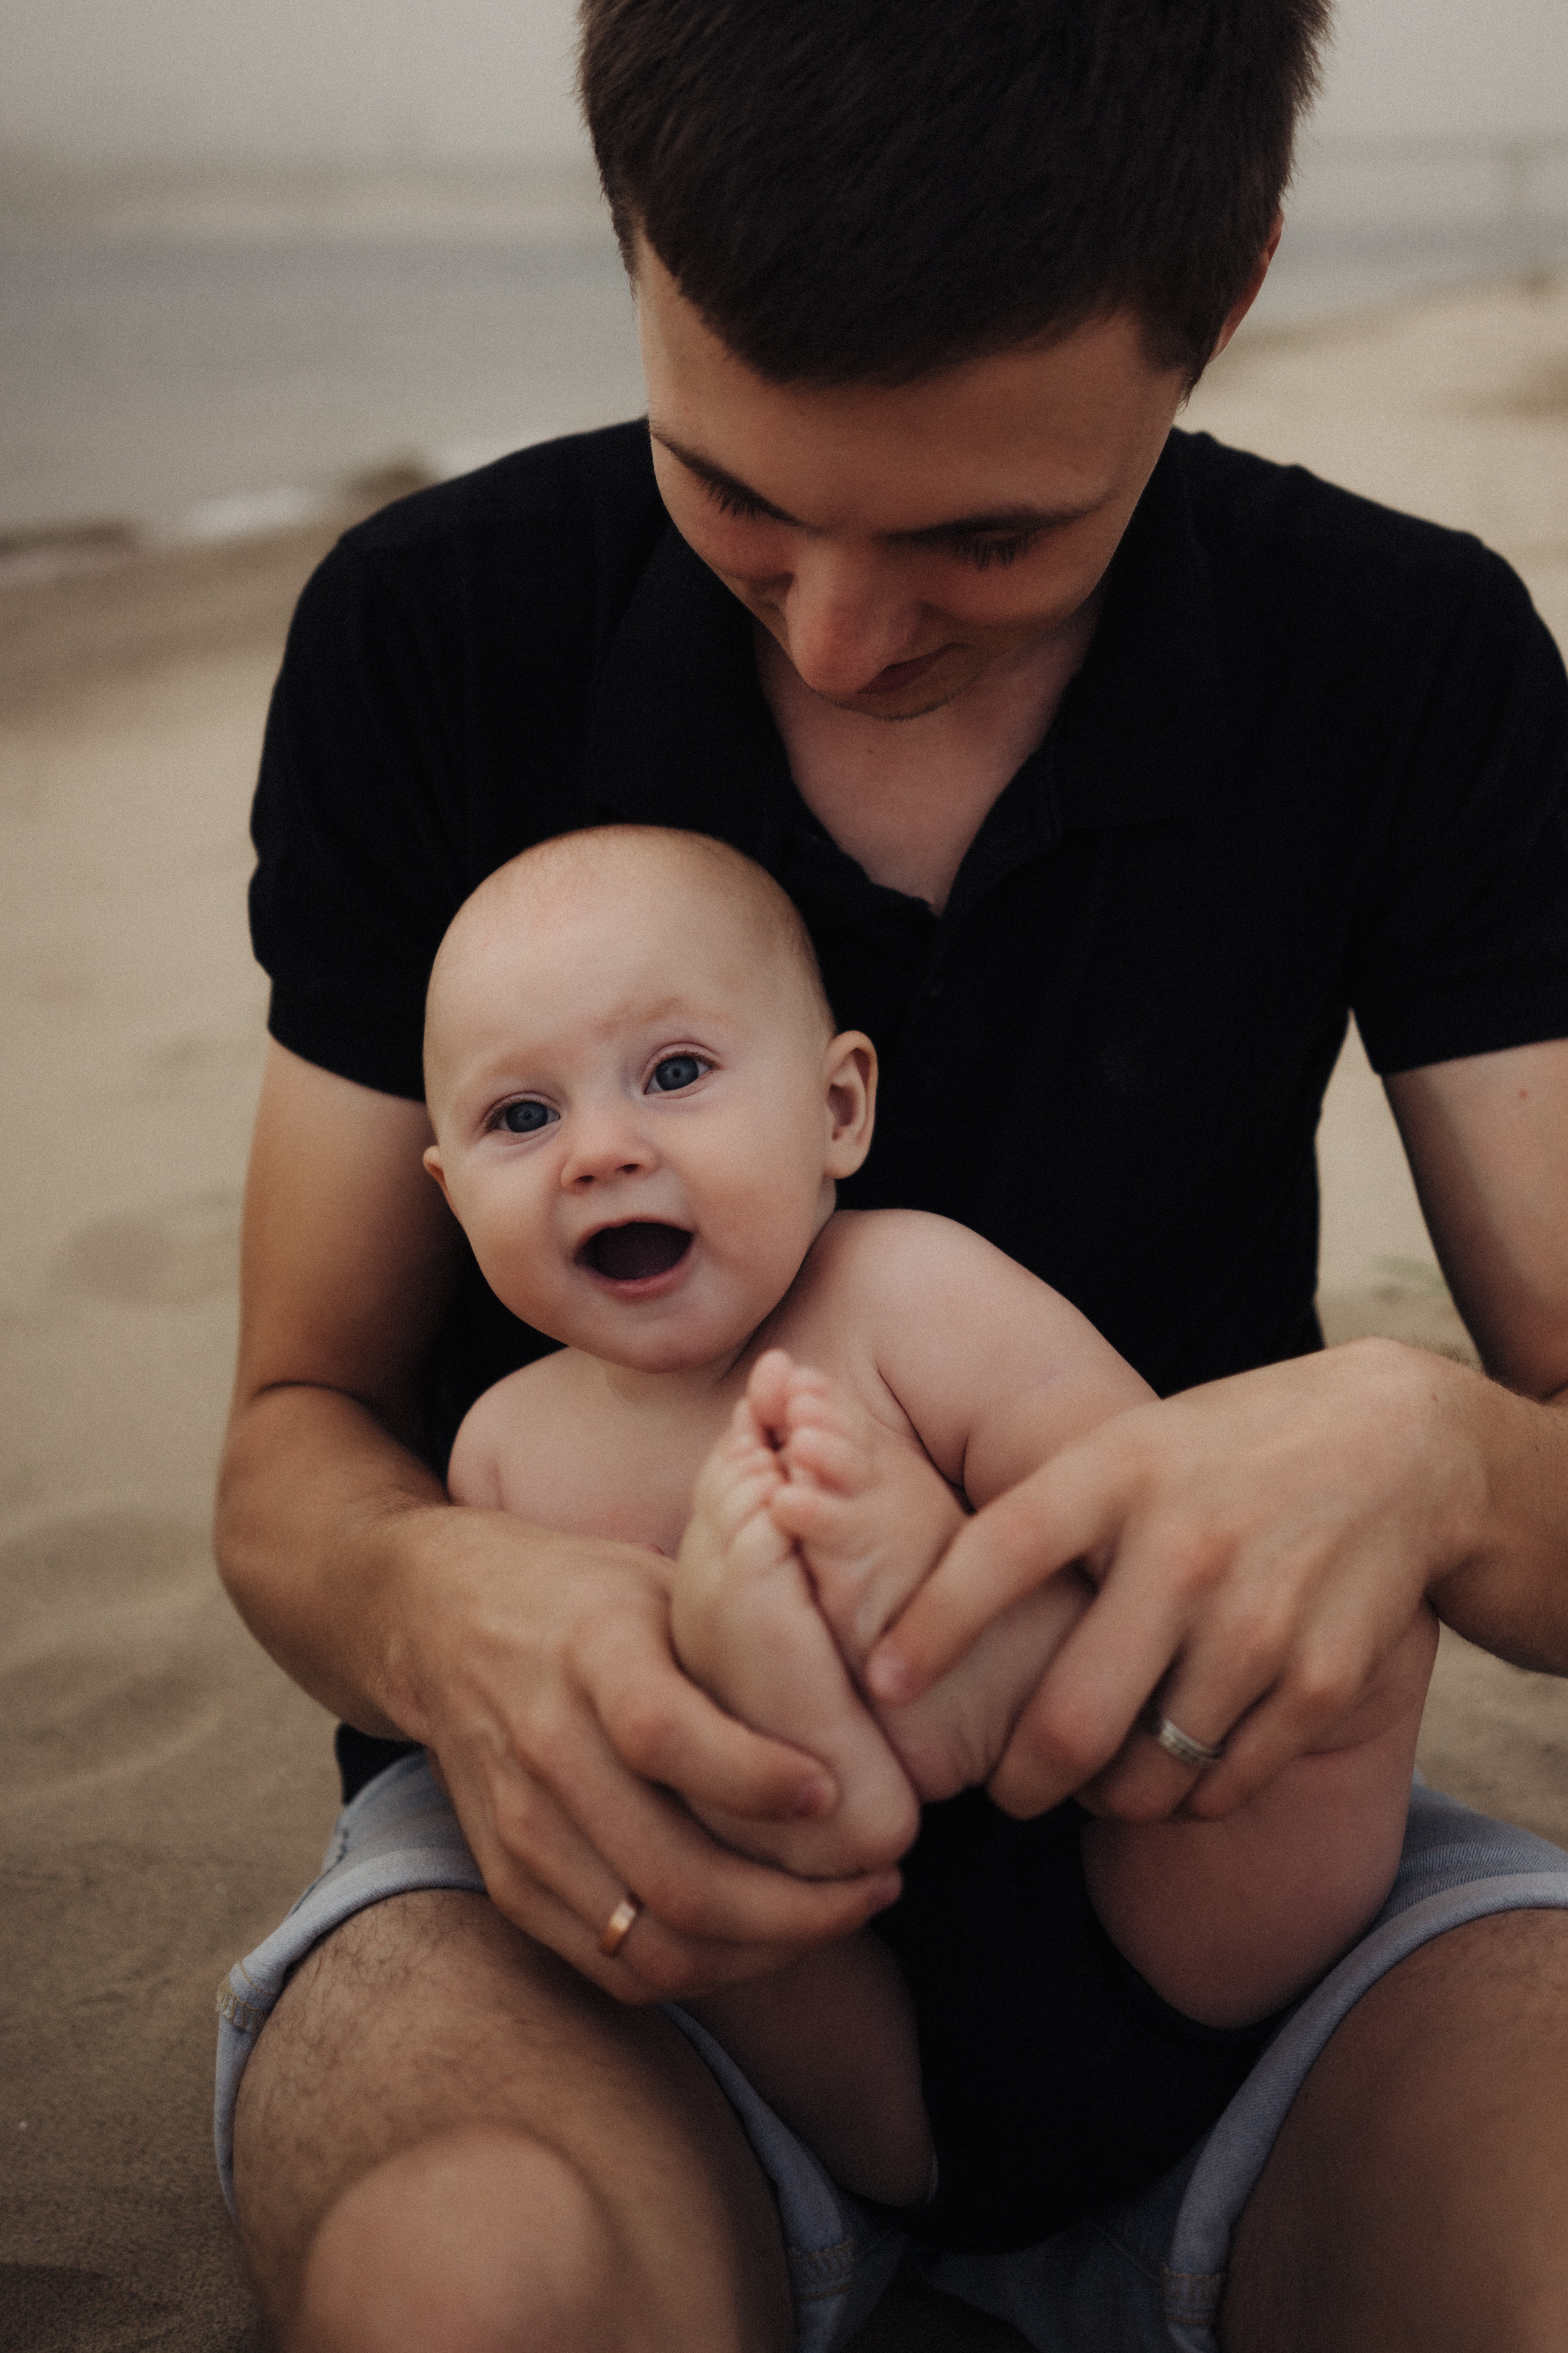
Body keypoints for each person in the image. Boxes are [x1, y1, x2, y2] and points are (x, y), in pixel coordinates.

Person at [212, 3, 1568, 2348]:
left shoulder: (1405, 655)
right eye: (729, 489)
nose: (842, 635)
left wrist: (1440, 1460)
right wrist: (448, 1611)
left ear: (1224, 284)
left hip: (1235, 1876)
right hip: (604, 1926)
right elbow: (287, 1441)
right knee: (472, 2286)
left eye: (990, 532)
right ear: (631, 239)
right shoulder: (426, 636)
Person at [421, 822, 1437, 2215]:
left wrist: (952, 1575)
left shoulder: (912, 1294)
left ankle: (927, 1669)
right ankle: (795, 1714)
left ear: (839, 1107)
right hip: (852, 2047)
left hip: (1168, 1908)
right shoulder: (501, 1453)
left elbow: (1167, 1528)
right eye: (519, 1118)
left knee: (1357, 1640)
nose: (599, 1150)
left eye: (674, 1073)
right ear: (449, 1195)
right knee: (686, 1838)